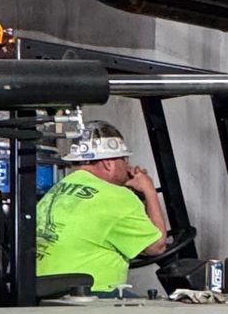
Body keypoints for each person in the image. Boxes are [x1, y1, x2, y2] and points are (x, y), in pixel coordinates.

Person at [34, 123, 166, 294]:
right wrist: (149, 190)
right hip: (88, 295)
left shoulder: (59, 188)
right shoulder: (117, 196)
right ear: (108, 163)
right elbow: (156, 247)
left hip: (42, 291)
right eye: (124, 160)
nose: (128, 167)